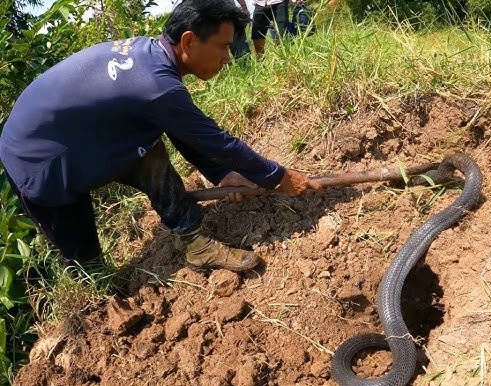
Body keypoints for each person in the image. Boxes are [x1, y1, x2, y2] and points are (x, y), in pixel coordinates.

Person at [0, 0, 322, 273]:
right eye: (223, 46)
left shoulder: (152, 57)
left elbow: (182, 132)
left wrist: (222, 173)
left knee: (149, 151)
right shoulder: (156, 85)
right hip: (35, 159)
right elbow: (215, 140)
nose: (227, 57)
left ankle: (196, 244)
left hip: (72, 133)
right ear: (188, 42)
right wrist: (278, 176)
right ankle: (98, 317)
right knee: (86, 261)